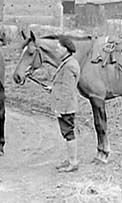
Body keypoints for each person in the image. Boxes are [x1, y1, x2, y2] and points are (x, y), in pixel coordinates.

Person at [44, 36, 81, 172]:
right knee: (67, 133)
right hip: (66, 104)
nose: (56, 49)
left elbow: (67, 90)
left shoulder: (70, 65)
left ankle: (73, 162)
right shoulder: (68, 62)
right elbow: (63, 85)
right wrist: (53, 89)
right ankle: (71, 159)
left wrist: (60, 108)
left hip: (66, 106)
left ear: (66, 49)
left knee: (68, 133)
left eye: (59, 47)